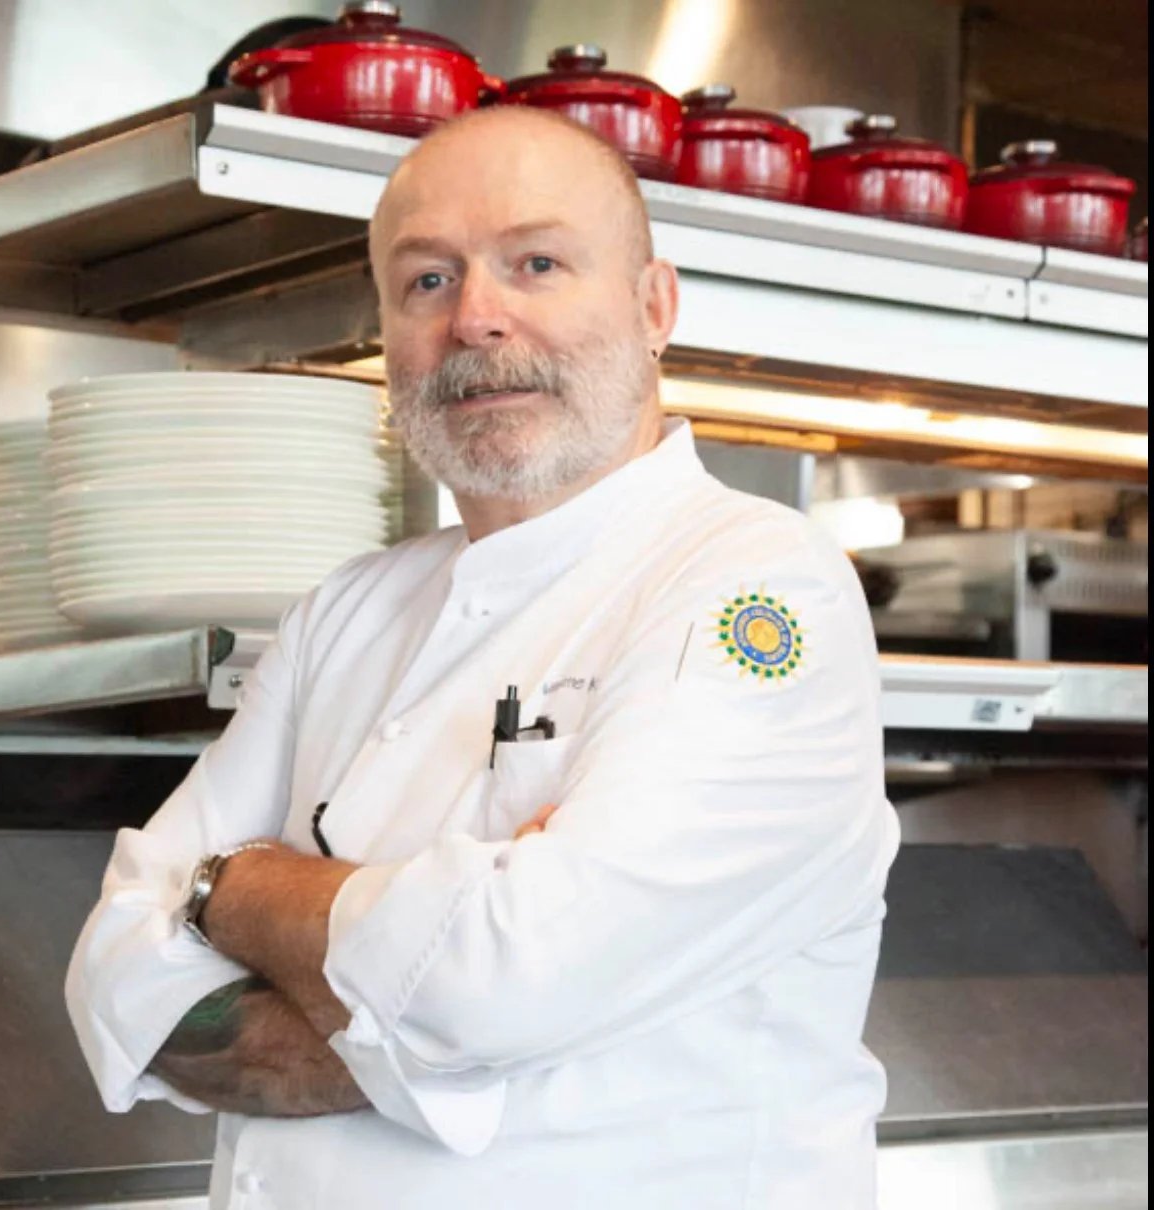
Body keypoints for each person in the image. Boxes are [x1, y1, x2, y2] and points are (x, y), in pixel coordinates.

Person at [66, 104, 901, 1210]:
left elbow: (510, 973)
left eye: (536, 263)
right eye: (427, 280)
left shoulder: (756, 585)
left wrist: (235, 886)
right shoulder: (345, 613)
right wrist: (439, 1025)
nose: (476, 318)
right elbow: (116, 968)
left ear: (654, 306)